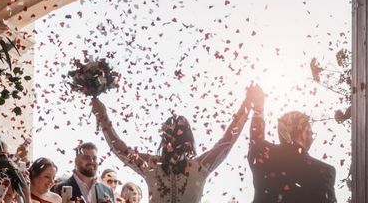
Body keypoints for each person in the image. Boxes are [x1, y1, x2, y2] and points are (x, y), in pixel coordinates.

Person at [91, 85, 255, 203]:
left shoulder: (193, 166)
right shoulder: (192, 166)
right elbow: (120, 149)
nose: (174, 142)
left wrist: (246, 107)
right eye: (172, 135)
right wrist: (102, 117)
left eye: (177, 136)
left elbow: (226, 143)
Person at [247, 85, 337, 202]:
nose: (311, 136)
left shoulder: (263, 152)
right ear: (304, 133)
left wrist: (259, 107)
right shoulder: (325, 172)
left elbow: (256, 139)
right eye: (310, 132)